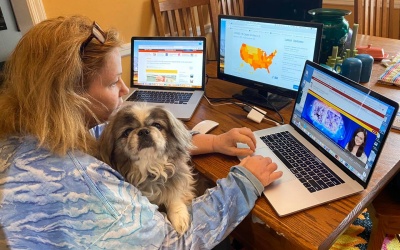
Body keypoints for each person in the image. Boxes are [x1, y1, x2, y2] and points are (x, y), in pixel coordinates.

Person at [0, 16, 282, 249]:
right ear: (71, 97)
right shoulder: (86, 188)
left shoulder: (27, 131)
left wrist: (215, 141)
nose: (125, 91)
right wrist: (246, 182)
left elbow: (104, 136)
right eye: (113, 83)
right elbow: (175, 242)